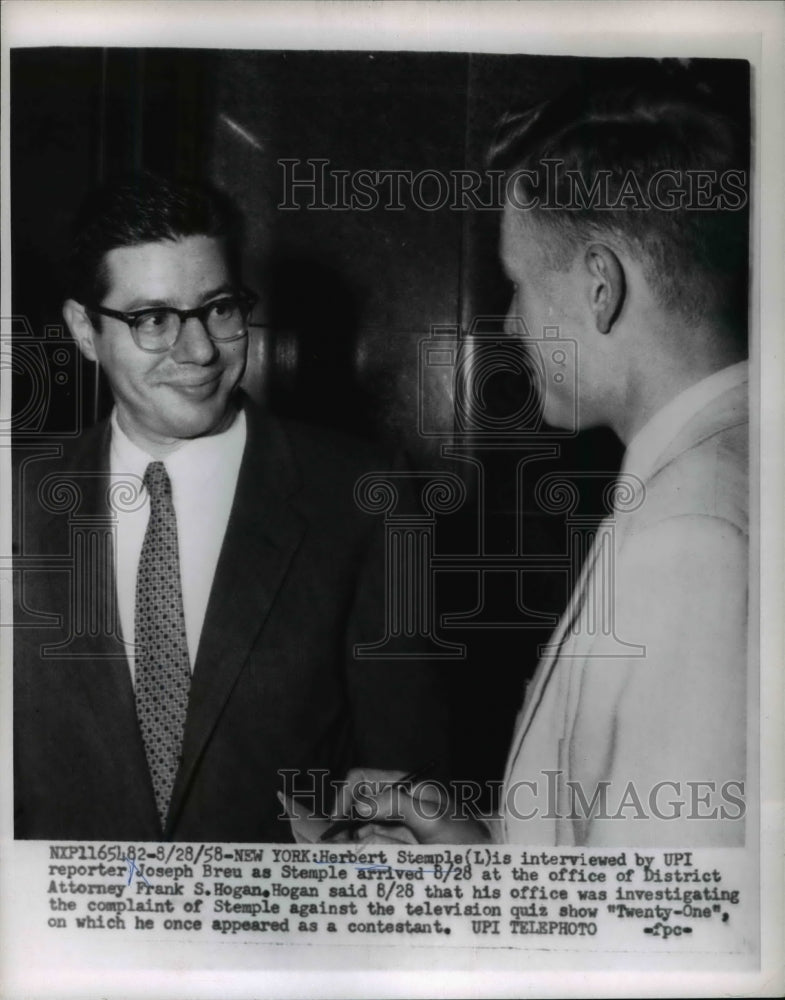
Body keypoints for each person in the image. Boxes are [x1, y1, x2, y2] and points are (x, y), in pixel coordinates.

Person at [335, 74, 750, 847]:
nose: (508, 321)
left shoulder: (690, 540)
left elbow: (655, 940)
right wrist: (477, 855)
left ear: (600, 287)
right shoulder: (712, 469)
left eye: (519, 283)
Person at [13, 173, 447, 842]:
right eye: (152, 319)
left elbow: (407, 782)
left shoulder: (367, 496)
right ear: (84, 330)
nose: (199, 351)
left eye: (218, 307)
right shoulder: (18, 506)